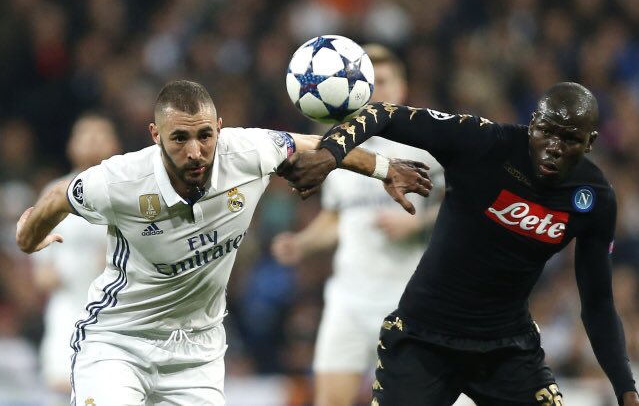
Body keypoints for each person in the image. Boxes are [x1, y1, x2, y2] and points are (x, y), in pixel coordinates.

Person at [15, 80, 431, 405]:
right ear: (155, 135)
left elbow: (319, 147)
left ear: (219, 128)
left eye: (204, 136)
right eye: (180, 138)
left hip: (196, 353)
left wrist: (383, 167)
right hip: (118, 342)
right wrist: (28, 239)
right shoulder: (120, 180)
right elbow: (57, 198)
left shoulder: (249, 150)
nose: (195, 151)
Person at [278, 82, 639, 405]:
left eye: (570, 140)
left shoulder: (595, 198)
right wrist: (330, 154)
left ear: (590, 142)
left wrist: (626, 389)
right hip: (423, 341)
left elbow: (598, 302)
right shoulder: (485, 143)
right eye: (546, 132)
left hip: (508, 351)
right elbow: (382, 113)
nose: (554, 148)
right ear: (532, 124)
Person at [271, 44, 444, 406]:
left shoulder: (428, 148)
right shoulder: (340, 149)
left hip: (408, 299)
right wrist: (302, 243)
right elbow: (338, 219)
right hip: (348, 299)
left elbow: (463, 206)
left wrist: (418, 224)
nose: (377, 91)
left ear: (403, 88)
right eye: (370, 84)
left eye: (385, 81)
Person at [32, 113, 121, 401]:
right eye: (85, 134)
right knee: (63, 386)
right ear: (71, 145)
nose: (92, 141)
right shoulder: (54, 193)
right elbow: (39, 266)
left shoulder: (127, 192)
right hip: (67, 306)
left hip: (114, 310)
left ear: (115, 144)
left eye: (100, 134)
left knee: (111, 390)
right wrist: (47, 272)